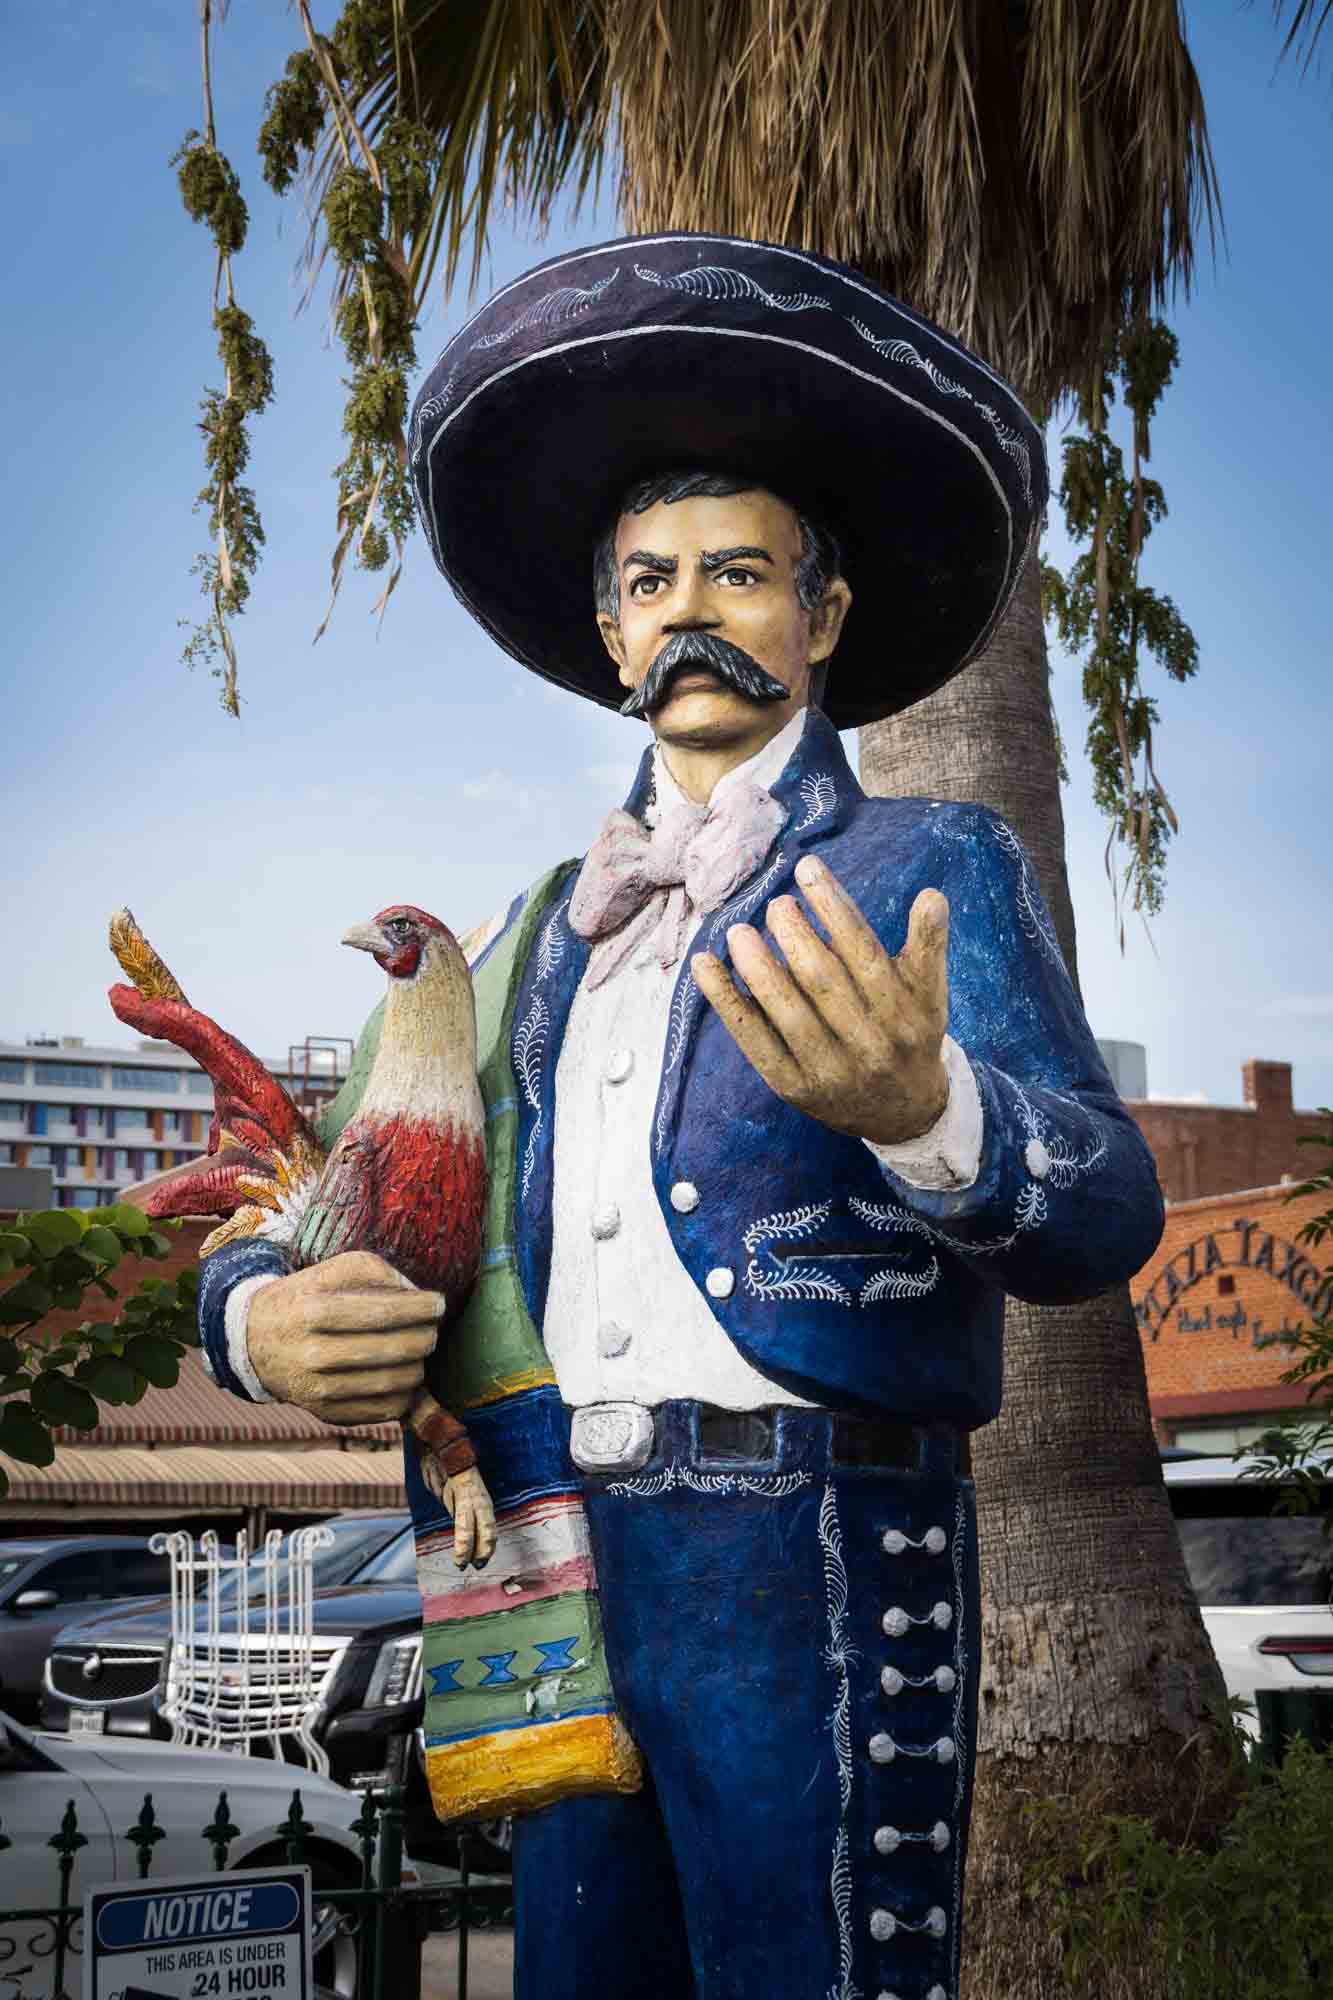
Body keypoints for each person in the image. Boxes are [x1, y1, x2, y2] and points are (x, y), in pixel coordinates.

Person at [196, 235, 1165, 2000]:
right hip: (565, 1555)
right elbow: (315, 1202)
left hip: (810, 1539)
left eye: (740, 573)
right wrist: (263, 1318)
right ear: (606, 627)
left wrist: (928, 1112)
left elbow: (1103, 1211)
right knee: (578, 1969)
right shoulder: (516, 941)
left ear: (827, 615)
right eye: (652, 582)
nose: (690, 614)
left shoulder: (929, 865)